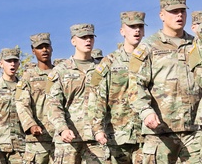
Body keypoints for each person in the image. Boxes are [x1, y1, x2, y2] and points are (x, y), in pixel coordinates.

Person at [128, 0, 201, 163]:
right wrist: (146, 112)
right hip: (160, 131)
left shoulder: (196, 45)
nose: (179, 15)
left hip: (194, 130)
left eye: (182, 11)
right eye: (173, 11)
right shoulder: (148, 47)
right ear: (161, 15)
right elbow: (135, 85)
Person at [46, 23, 109, 164]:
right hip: (69, 138)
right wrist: (62, 128)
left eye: (90, 37)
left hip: (96, 137)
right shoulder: (60, 71)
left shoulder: (103, 68)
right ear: (73, 41)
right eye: (83, 37)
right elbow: (53, 105)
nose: (88, 40)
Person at [89, 12, 146, 164]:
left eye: (140, 26)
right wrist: (97, 128)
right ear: (122, 31)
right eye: (132, 26)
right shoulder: (110, 62)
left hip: (147, 134)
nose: (137, 30)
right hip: (118, 135)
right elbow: (97, 97)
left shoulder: (151, 57)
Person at [15, 33, 55, 163]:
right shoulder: (28, 77)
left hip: (61, 137)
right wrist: (31, 125)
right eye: (39, 47)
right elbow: (22, 104)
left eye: (46, 46)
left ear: (51, 48)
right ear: (33, 51)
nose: (44, 50)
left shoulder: (61, 73)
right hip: (38, 140)